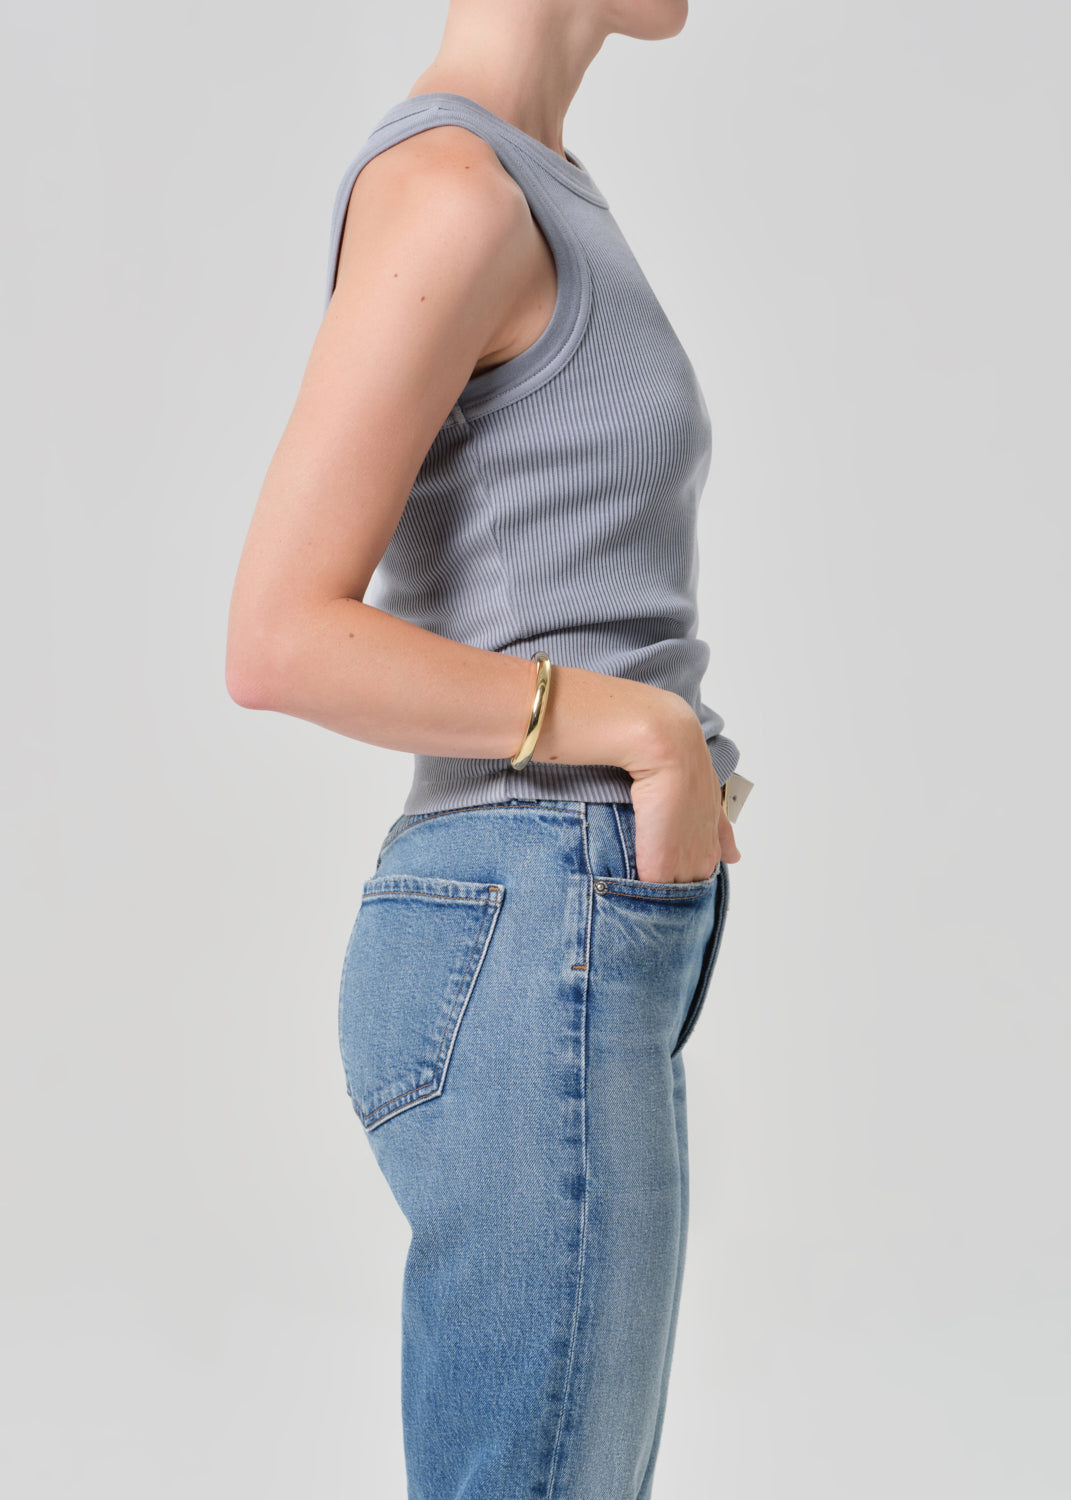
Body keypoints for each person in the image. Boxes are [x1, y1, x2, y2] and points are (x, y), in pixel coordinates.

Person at [226, 1, 749, 1494]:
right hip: (533, 922)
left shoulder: (533, 181)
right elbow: (276, 635)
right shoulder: (455, 191)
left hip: (562, 923)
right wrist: (641, 731)